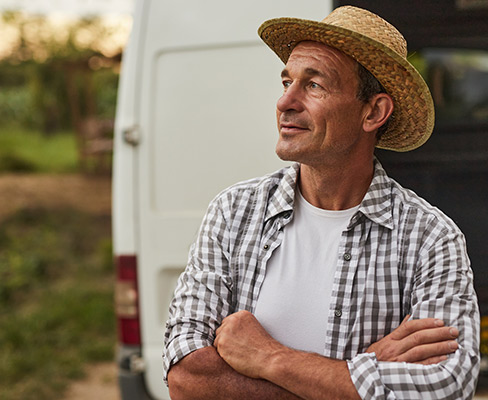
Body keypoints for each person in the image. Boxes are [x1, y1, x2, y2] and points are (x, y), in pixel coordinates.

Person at [162, 5, 480, 400]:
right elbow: (186, 377)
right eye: (286, 82)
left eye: (313, 85)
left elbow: (447, 385)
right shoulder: (233, 212)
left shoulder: (430, 237)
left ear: (374, 111)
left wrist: (268, 358)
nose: (285, 103)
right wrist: (357, 375)